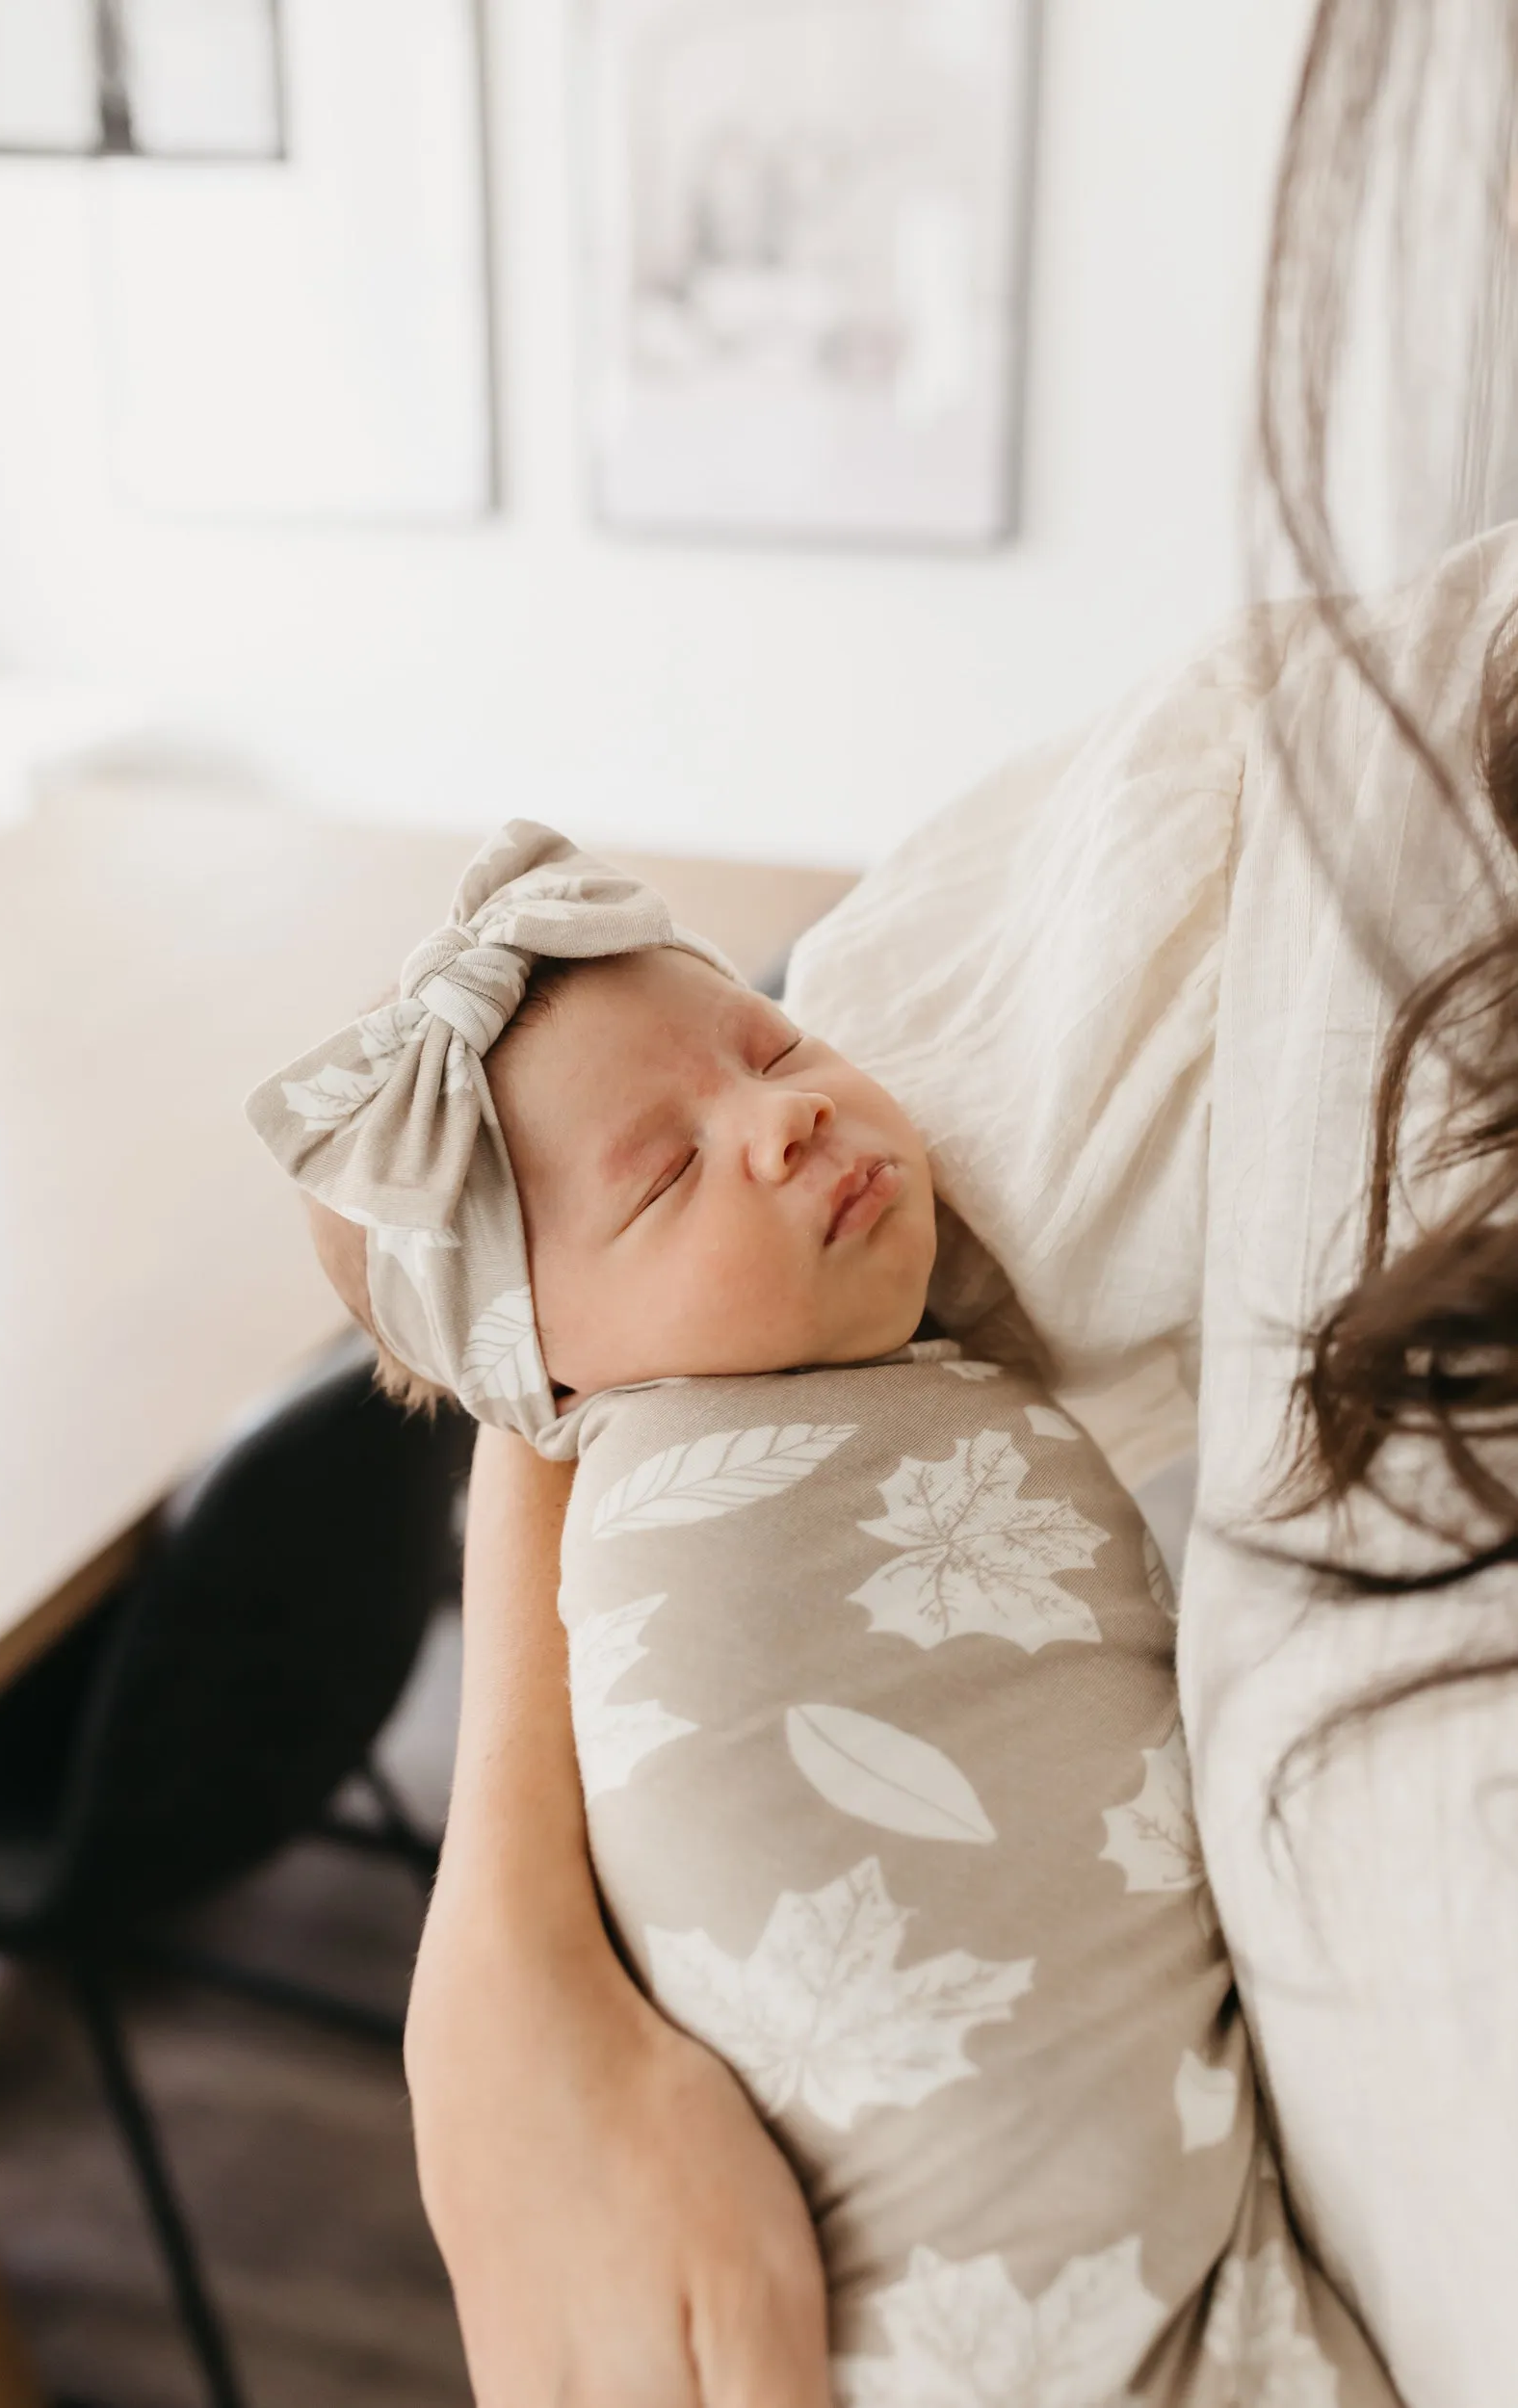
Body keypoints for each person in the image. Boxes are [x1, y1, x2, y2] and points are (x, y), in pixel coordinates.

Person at [398, 6, 1518, 2404]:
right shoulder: (1362, 781)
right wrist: (494, 1955)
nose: (793, 1113)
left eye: (776, 1056)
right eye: (683, 1146)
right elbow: (542, 1343)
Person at [247, 826, 1398, 2401]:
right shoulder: (676, 1506)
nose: (779, 1119)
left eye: (771, 1045)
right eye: (663, 1175)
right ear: (552, 1382)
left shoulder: (864, 1340)